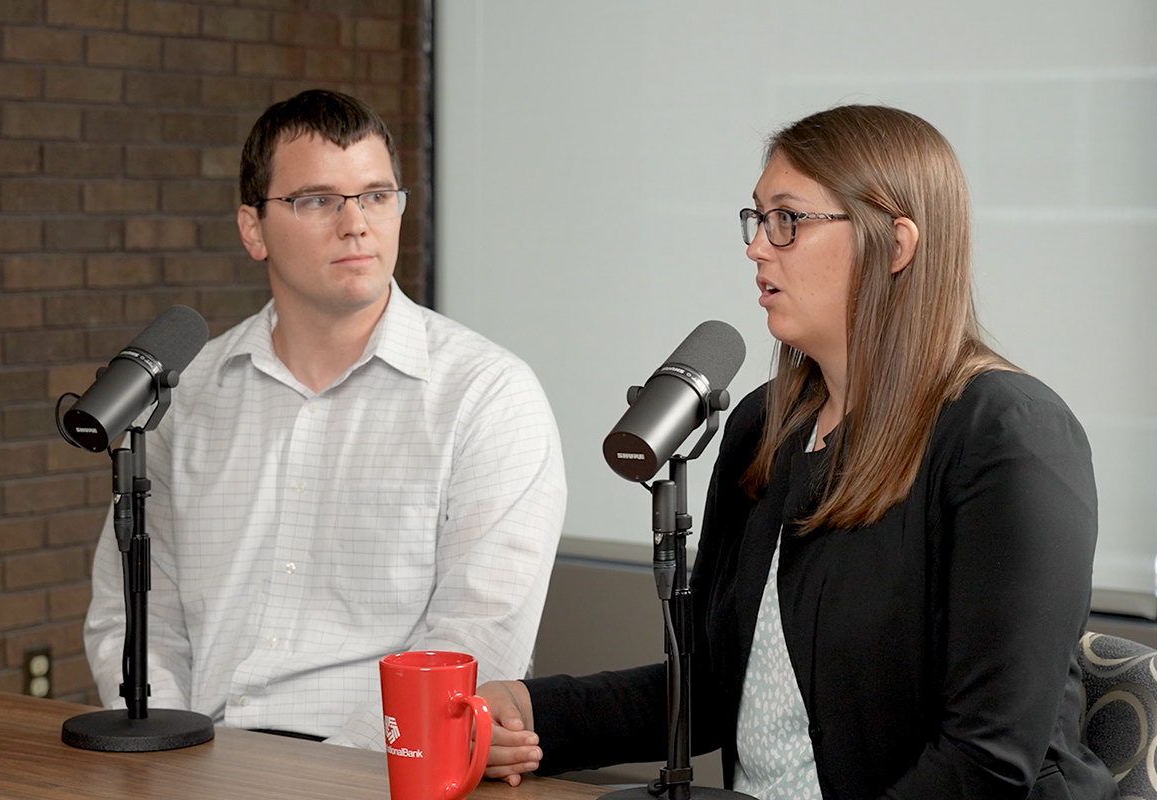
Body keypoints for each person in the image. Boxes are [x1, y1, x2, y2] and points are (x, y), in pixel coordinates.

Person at [480, 105, 1117, 799]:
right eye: (757, 220)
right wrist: (534, 714)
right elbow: (720, 683)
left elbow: (987, 760)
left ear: (895, 244)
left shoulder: (1009, 435)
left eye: (789, 220)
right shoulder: (766, 424)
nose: (758, 247)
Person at [84, 89, 567, 748]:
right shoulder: (184, 398)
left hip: (387, 767)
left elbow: (478, 635)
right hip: (200, 760)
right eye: (316, 199)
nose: (356, 223)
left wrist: (335, 776)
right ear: (253, 229)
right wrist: (169, 753)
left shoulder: (486, 395)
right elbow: (133, 619)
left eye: (375, 195)